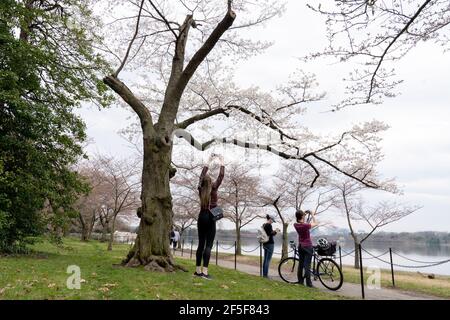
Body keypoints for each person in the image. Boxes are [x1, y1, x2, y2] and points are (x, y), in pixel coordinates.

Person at [195, 153, 225, 280]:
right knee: (208, 245)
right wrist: (221, 161)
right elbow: (221, 175)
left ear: (202, 182)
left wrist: (208, 161)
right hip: (210, 217)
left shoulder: (200, 188)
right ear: (211, 182)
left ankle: (197, 271)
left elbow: (202, 175)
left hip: (201, 216)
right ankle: (205, 273)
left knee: (201, 244)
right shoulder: (214, 188)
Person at [294, 209, 318, 288]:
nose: (304, 216)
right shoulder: (305, 226)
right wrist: (312, 214)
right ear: (302, 216)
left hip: (300, 246)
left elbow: (300, 218)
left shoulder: (296, 225)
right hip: (307, 246)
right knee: (307, 265)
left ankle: (300, 281)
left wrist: (303, 213)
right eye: (303, 215)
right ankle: (309, 284)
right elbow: (316, 223)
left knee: (301, 265)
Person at [262, 214, 280, 278]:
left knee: (265, 259)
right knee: (268, 260)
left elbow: (268, 233)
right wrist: (276, 231)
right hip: (270, 244)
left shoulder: (264, 225)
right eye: (272, 220)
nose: (272, 222)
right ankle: (265, 275)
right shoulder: (269, 225)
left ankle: (264, 274)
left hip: (265, 243)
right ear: (270, 219)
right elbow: (270, 234)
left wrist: (274, 231)